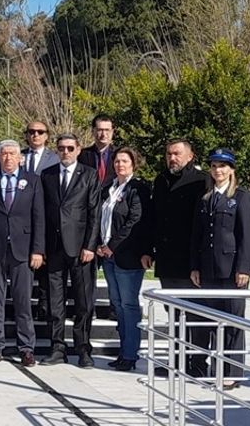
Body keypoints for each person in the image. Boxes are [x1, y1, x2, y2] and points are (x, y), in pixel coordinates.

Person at [0, 140, 44, 366]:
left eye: (13, 154)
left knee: (23, 301)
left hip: (23, 250)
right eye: (4, 154)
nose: (8, 158)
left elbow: (39, 218)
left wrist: (38, 250)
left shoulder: (33, 181)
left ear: (20, 158)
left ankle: (26, 348)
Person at [188, 147, 250, 386]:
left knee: (234, 322)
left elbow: (247, 235)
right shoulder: (205, 197)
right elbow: (197, 235)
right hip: (208, 268)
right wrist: (195, 266)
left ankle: (232, 373)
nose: (218, 170)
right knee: (212, 321)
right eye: (215, 165)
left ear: (231, 169)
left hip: (232, 269)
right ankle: (215, 368)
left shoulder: (242, 197)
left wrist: (244, 268)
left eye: (223, 166)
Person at [40, 133, 101, 368]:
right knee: (55, 301)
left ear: (78, 150)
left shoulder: (89, 175)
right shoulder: (48, 175)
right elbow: (41, 213)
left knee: (83, 301)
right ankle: (57, 347)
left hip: (80, 249)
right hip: (54, 248)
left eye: (69, 148)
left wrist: (90, 246)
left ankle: (83, 349)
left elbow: (95, 213)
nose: (65, 152)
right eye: (61, 148)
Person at [96, 146, 151, 372]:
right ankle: (122, 351)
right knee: (117, 305)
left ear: (133, 164)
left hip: (127, 256)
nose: (120, 165)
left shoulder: (138, 189)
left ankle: (130, 354)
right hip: (108, 257)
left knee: (129, 305)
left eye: (125, 161)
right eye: (117, 161)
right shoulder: (109, 187)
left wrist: (111, 246)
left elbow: (134, 222)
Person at [151, 139, 210, 290]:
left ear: (190, 156)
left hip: (190, 260)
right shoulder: (161, 180)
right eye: (169, 154)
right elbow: (155, 218)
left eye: (177, 154)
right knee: (170, 308)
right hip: (166, 258)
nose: (172, 158)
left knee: (193, 310)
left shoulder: (202, 180)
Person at [77, 114, 117, 187]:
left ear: (112, 131)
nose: (104, 134)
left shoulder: (119, 154)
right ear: (93, 131)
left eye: (107, 130)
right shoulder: (81, 155)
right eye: (100, 130)